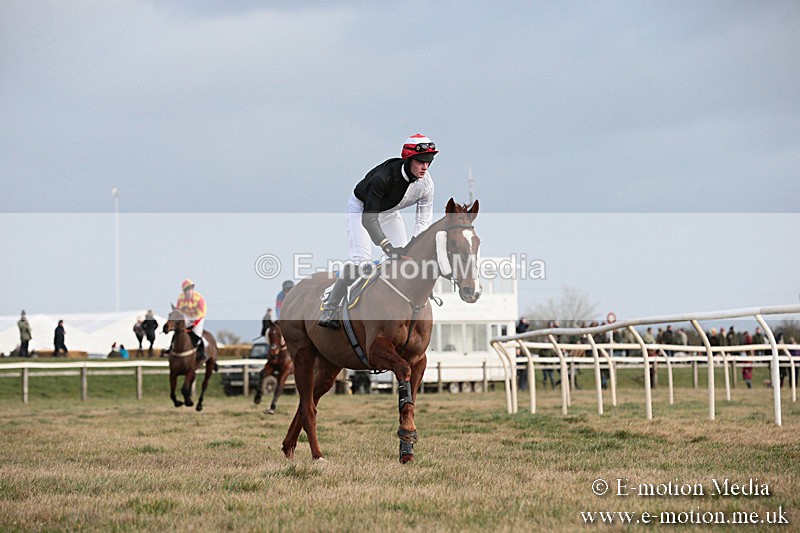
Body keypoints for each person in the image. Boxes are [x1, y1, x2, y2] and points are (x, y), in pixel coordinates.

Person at [318, 133, 437, 329]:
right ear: (408, 159)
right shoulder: (384, 177)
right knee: (361, 261)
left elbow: (423, 222)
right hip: (362, 211)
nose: (425, 167)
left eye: (428, 162)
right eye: (420, 161)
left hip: (389, 213)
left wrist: (414, 249)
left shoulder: (427, 185)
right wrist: (387, 247)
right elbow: (369, 218)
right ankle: (329, 305)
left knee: (405, 261)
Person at [176, 279, 207, 362]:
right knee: (178, 330)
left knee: (196, 333)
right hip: (187, 316)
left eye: (190, 289)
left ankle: (202, 352)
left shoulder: (199, 298)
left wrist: (193, 325)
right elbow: (178, 311)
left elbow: (201, 314)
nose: (189, 291)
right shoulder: (180, 297)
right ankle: (171, 347)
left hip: (198, 317)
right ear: (184, 291)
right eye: (187, 289)